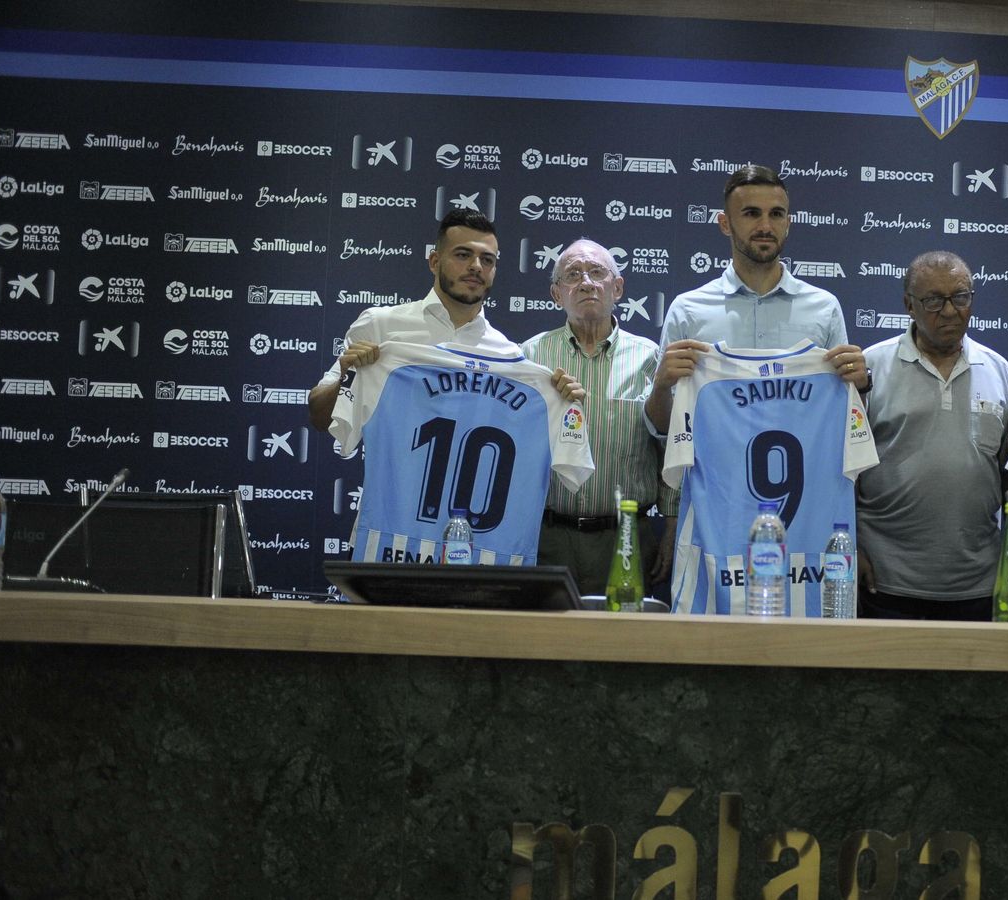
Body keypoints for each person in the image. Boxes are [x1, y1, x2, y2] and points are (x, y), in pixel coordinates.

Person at [308, 210, 581, 433]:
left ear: (495, 270)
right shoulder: (380, 324)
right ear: (434, 261)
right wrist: (346, 376)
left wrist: (562, 403)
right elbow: (320, 418)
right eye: (463, 255)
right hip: (391, 499)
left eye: (487, 259)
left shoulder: (507, 354)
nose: (476, 266)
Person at [644, 164, 869, 435]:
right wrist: (660, 387)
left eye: (776, 214)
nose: (765, 226)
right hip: (712, 476)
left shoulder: (824, 307)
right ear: (725, 223)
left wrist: (860, 386)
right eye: (751, 213)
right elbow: (663, 430)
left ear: (788, 223)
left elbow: (844, 419)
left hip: (802, 475)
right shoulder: (687, 309)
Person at [855, 251, 1008, 621]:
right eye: (933, 300)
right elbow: (845, 470)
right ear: (908, 305)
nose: (948, 311)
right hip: (885, 580)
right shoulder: (871, 368)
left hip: (977, 581)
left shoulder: (999, 371)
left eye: (960, 297)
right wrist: (854, 552)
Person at [521, 239, 671, 595]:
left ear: (617, 287)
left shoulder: (650, 359)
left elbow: (669, 448)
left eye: (597, 272)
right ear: (556, 294)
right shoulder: (531, 355)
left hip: (627, 539)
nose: (586, 282)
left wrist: (673, 528)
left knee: (622, 648)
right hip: (547, 537)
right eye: (572, 275)